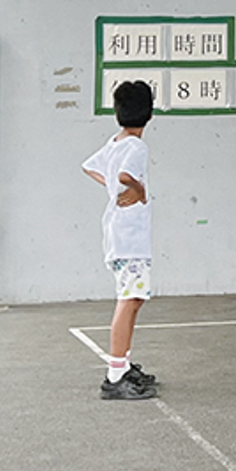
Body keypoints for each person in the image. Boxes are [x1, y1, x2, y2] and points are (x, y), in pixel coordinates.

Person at [82, 80, 160, 399]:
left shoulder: (115, 142)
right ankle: (115, 375)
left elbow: (89, 167)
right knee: (129, 301)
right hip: (129, 237)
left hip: (118, 233)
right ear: (149, 113)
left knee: (134, 298)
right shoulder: (136, 147)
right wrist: (136, 190)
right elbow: (127, 176)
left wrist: (112, 188)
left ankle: (122, 365)